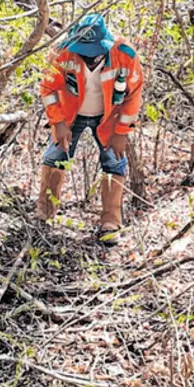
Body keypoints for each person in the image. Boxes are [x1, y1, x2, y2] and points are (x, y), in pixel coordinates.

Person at [35, 13, 143, 243]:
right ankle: (44, 217)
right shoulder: (62, 53)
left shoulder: (124, 55)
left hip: (108, 118)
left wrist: (121, 132)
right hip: (70, 116)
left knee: (114, 161)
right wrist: (59, 123)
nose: (90, 58)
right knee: (55, 156)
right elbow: (47, 89)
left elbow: (133, 97)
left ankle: (111, 223)